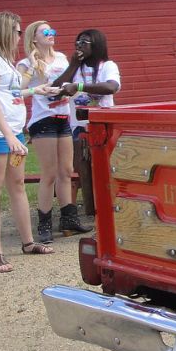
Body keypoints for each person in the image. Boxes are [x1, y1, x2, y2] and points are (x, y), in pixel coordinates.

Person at [0, 11, 55, 272]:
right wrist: (7, 135)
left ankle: (28, 242)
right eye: (17, 32)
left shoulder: (4, 60)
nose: (19, 36)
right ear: (5, 31)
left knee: (16, 184)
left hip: (11, 130)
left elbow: (10, 92)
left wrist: (34, 90)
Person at [17, 20, 89, 242]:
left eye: (52, 31)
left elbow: (70, 82)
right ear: (34, 38)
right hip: (43, 119)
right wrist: (30, 64)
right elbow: (18, 88)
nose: (51, 34)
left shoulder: (60, 59)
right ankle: (44, 222)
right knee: (48, 173)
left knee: (66, 170)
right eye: (45, 32)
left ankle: (69, 218)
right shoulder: (26, 63)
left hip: (63, 117)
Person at [55, 29, 121, 217]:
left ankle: (110, 206)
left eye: (84, 42)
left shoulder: (107, 65)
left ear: (97, 45)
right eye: (77, 42)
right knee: (80, 169)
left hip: (104, 126)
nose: (79, 46)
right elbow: (56, 88)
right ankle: (88, 211)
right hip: (78, 127)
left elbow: (111, 87)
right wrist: (73, 65)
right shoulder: (75, 68)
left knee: (107, 168)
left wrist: (80, 87)